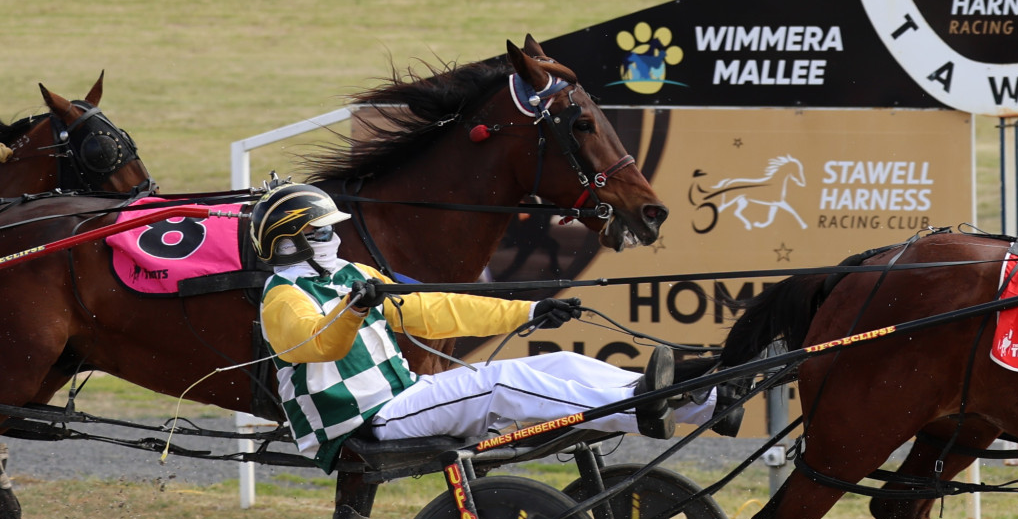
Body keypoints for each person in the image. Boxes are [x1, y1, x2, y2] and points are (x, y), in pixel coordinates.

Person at [250, 183, 712, 471]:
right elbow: (317, 344)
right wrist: (351, 312)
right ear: (291, 242)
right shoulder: (283, 300)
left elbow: (435, 310)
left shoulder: (354, 275)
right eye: (323, 232)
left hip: (402, 400)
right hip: (364, 423)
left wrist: (528, 313)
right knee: (503, 382)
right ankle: (641, 408)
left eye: (333, 230)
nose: (336, 238)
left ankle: (706, 402)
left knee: (562, 361)